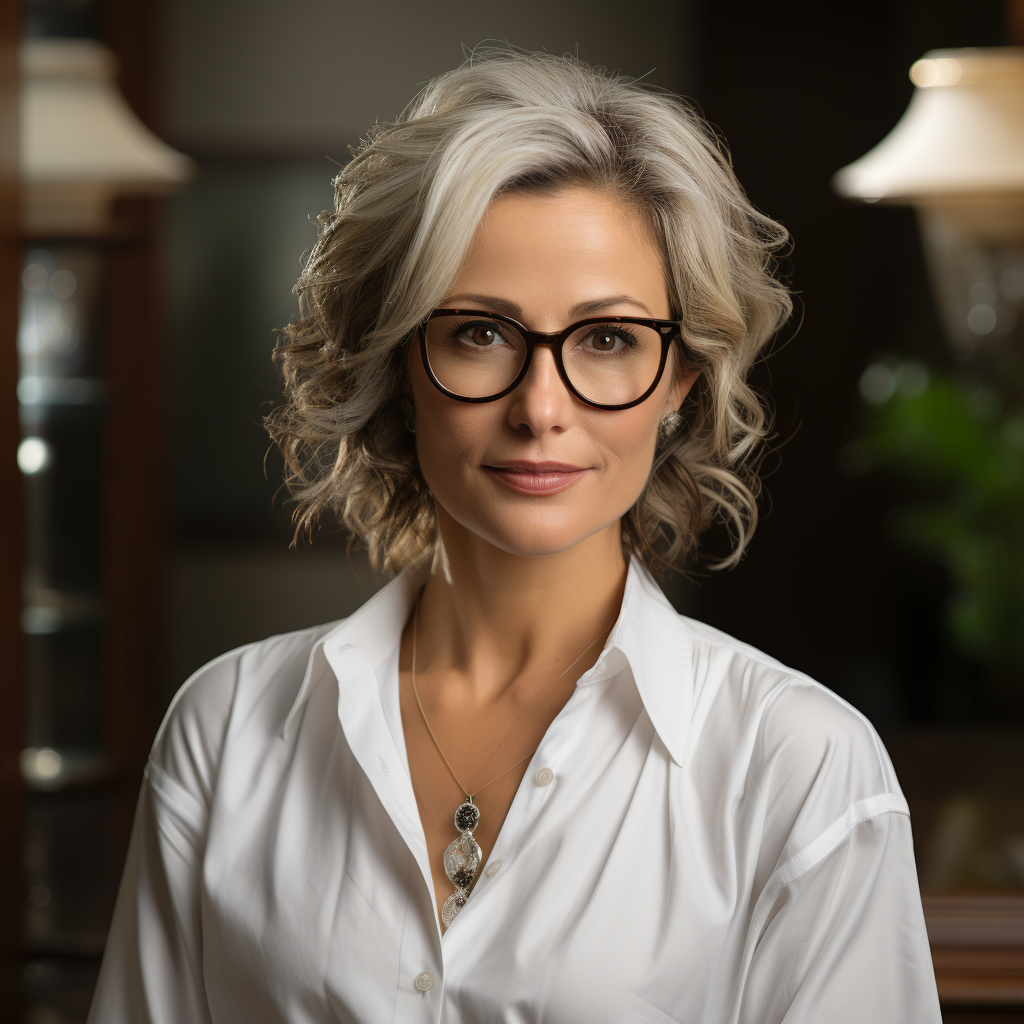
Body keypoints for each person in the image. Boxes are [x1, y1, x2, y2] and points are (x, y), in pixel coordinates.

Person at [88, 50, 941, 1023]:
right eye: (480, 333)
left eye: (608, 339)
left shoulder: (801, 767)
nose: (541, 408)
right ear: (399, 361)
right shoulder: (227, 730)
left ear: (680, 381)